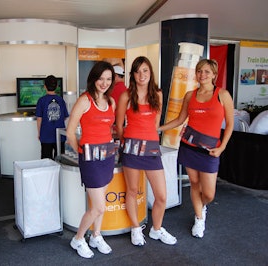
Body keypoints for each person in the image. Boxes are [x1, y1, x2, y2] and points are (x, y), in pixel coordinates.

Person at [159, 59, 234, 238]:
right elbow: (179, 120)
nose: (202, 75)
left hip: (210, 150)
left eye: (207, 72)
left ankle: (203, 206)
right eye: (200, 71)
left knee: (209, 193)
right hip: (189, 146)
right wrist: (157, 128)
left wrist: (222, 148)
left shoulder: (222, 95)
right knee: (194, 184)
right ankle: (199, 218)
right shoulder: (189, 95)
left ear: (214, 75)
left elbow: (230, 125)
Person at [115, 56, 177, 247]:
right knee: (132, 191)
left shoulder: (157, 94)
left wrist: (149, 136)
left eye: (145, 71)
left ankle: (156, 229)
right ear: (132, 74)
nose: (141, 75)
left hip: (151, 149)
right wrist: (127, 143)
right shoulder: (126, 95)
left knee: (161, 196)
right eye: (137, 71)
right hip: (131, 149)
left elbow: (155, 123)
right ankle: (136, 228)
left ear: (150, 73)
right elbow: (118, 126)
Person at [66, 61, 116, 259]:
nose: (104, 83)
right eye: (101, 78)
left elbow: (108, 129)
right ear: (93, 79)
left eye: (108, 79)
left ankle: (96, 235)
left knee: (100, 201)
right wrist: (79, 150)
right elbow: (70, 132)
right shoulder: (84, 101)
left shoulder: (110, 102)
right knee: (99, 207)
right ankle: (78, 238)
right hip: (90, 159)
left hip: (107, 157)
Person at [36, 75, 69, 159]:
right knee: (60, 160)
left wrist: (39, 133)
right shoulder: (61, 100)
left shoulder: (41, 100)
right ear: (57, 86)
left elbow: (39, 119)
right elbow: (65, 117)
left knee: (46, 161)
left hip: (46, 135)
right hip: (60, 136)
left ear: (44, 86)